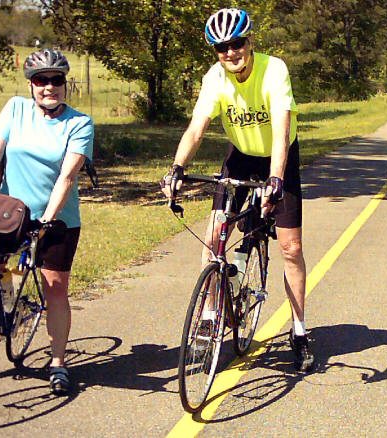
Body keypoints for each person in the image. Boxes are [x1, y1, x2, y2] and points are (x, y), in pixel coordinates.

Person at [161, 8, 313, 371]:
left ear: (250, 42)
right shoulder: (215, 78)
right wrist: (177, 168)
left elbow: (281, 128)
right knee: (214, 234)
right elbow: (197, 128)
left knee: (291, 248)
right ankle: (210, 320)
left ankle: (299, 330)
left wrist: (276, 180)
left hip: (279, 156)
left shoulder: (273, 69)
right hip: (241, 155)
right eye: (221, 47)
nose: (230, 52)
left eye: (236, 44)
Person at [0, 48, 94, 394]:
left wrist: (47, 218)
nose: (49, 87)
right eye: (41, 80)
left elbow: (67, 176)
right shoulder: (15, 109)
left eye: (56, 80)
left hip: (56, 219)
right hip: (6, 213)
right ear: (31, 85)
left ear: (65, 83)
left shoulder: (79, 123)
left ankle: (58, 362)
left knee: (55, 289)